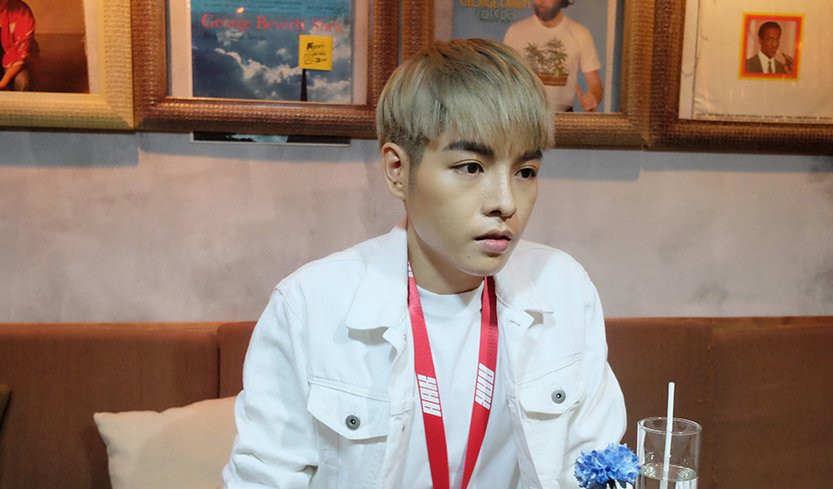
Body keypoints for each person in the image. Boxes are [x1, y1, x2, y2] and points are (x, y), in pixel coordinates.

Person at [222, 38, 626, 489]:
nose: (506, 202)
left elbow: (594, 468)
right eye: (471, 167)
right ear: (398, 170)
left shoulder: (564, 289)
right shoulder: (310, 305)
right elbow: (263, 480)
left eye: (526, 172)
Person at [503, 0, 602, 112]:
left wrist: (593, 98)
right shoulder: (516, 31)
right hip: (526, 116)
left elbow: (594, 83)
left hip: (565, 116)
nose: (542, 1)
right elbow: (505, 79)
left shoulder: (580, 33)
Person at [0, 0, 37, 91]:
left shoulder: (21, 10)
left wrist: (2, 84)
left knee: (22, 81)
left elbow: (21, 53)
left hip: (14, 64)